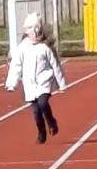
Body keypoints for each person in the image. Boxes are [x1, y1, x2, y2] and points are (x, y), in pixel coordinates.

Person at [5, 12, 67, 143]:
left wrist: (61, 84)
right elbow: (16, 65)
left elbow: (56, 66)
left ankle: (51, 121)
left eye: (30, 30)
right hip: (29, 85)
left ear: (37, 29)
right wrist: (12, 83)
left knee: (43, 103)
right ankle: (41, 131)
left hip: (44, 83)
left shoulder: (45, 48)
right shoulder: (22, 47)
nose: (28, 33)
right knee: (36, 112)